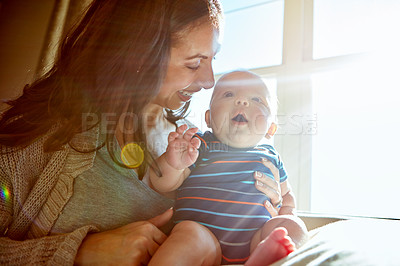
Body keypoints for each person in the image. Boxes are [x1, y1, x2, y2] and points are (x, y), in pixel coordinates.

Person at [0, 1, 284, 265]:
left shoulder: (188, 143)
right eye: (194, 63)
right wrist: (80, 251)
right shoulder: (42, 136)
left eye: (212, 59)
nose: (210, 81)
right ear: (138, 54)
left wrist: (266, 206)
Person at [147, 70, 309, 265]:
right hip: (203, 236)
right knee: (188, 235)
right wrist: (174, 164)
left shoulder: (272, 156)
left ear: (271, 129)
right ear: (208, 118)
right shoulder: (200, 144)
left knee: (293, 227)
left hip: (256, 240)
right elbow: (160, 184)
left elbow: (287, 194)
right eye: (229, 95)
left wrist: (287, 214)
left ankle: (269, 256)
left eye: (257, 99)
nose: (242, 101)